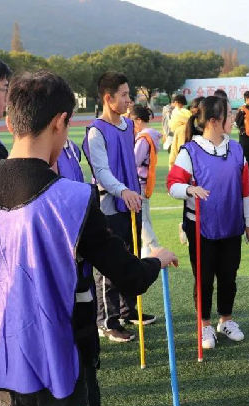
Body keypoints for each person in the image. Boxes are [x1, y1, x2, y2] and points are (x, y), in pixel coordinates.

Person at [0, 70, 178, 406]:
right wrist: (155, 260)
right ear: (60, 122)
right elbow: (129, 276)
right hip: (63, 365)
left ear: (10, 121)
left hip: (3, 364)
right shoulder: (74, 199)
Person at [167, 95, 249, 349]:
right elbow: (172, 185)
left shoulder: (236, 149)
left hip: (231, 225)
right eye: (230, 113)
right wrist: (189, 190)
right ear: (215, 121)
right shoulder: (190, 151)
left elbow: (245, 188)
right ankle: (204, 324)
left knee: (229, 276)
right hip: (200, 227)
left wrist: (248, 220)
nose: (234, 118)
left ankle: (226, 319)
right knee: (204, 278)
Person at [82, 71, 156, 342]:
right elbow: (101, 172)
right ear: (108, 98)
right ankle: (107, 320)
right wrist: (123, 190)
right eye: (123, 95)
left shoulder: (128, 126)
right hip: (109, 205)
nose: (129, 100)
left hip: (131, 202)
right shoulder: (96, 132)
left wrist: (132, 192)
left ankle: (128, 310)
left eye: (129, 93)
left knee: (131, 257)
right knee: (108, 264)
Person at [130, 104, 161, 257]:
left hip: (140, 182)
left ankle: (156, 248)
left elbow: (135, 160)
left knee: (141, 220)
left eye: (132, 121)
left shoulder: (143, 138)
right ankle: (148, 252)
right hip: (146, 181)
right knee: (145, 218)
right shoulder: (152, 135)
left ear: (138, 120)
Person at [168, 94, 192, 168]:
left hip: (179, 133)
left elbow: (172, 125)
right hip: (188, 133)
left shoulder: (176, 112)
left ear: (176, 102)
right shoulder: (187, 112)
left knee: (178, 153)